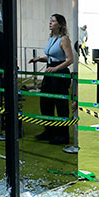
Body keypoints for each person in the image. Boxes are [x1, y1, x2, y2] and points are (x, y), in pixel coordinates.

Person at [28, 14, 75, 144]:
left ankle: (63, 135)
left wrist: (56, 69)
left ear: (60, 24)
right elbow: (50, 57)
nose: (50, 23)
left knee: (60, 105)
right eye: (50, 20)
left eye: (53, 21)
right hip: (49, 73)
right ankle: (49, 131)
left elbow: (70, 59)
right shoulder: (51, 38)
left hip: (59, 75)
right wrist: (39, 59)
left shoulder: (64, 39)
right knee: (45, 103)